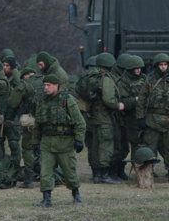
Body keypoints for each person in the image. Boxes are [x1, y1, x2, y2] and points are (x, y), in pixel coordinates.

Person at [35, 74, 86, 207]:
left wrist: (79, 139)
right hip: (47, 142)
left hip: (64, 142)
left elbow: (80, 122)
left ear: (57, 85)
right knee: (45, 173)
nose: (46, 87)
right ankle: (46, 199)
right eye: (44, 85)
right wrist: (35, 141)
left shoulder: (67, 99)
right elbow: (38, 124)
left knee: (69, 172)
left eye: (49, 85)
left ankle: (76, 195)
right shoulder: (42, 100)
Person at [137, 53, 169, 183]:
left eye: (165, 64)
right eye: (161, 64)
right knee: (149, 147)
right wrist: (140, 118)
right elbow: (142, 99)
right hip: (152, 119)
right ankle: (147, 171)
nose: (163, 67)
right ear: (156, 66)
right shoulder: (150, 80)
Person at [87, 52, 124, 184]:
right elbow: (108, 99)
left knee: (95, 146)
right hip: (104, 117)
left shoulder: (92, 76)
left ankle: (97, 175)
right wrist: (117, 105)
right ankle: (104, 175)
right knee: (106, 145)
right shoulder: (106, 78)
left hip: (93, 117)